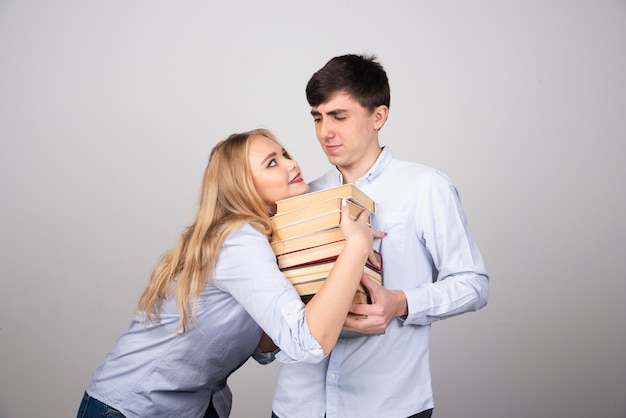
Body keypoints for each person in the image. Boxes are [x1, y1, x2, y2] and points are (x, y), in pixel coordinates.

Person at [76, 128, 383, 418]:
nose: (291, 164)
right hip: (133, 407)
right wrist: (356, 246)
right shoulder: (239, 239)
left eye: (285, 154)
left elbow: (265, 345)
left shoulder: (265, 238)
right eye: (273, 162)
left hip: (196, 405)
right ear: (243, 186)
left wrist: (329, 304)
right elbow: (305, 343)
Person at [271, 55, 490, 418]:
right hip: (298, 405)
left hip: (386, 404)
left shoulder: (426, 187)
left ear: (378, 116)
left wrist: (401, 302)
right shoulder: (303, 195)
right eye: (317, 117)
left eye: (339, 116)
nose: (325, 131)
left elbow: (473, 284)